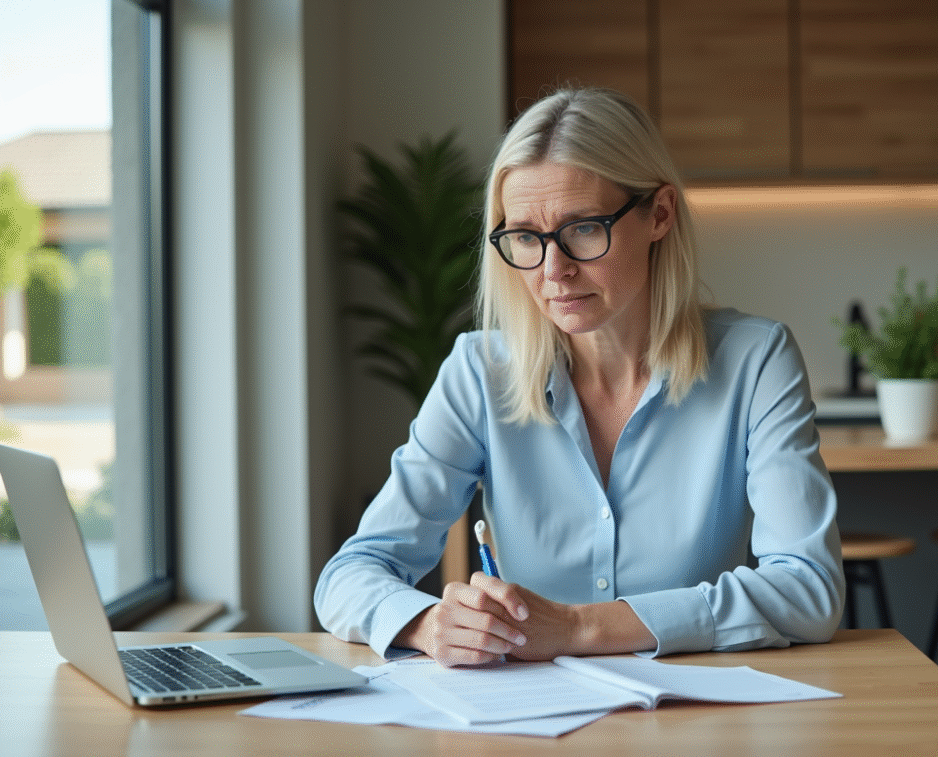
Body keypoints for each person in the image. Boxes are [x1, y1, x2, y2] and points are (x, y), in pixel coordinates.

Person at [315, 87, 844, 667]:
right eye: (525, 238)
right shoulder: (480, 372)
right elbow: (350, 575)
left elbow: (808, 589)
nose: (554, 270)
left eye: (585, 229)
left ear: (659, 214)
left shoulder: (756, 360)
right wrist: (426, 623)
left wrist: (576, 628)